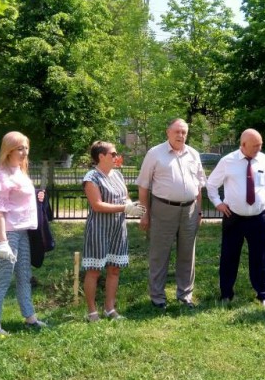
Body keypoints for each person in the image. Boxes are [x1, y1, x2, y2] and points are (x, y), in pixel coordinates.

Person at [206, 129, 265, 307]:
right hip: (234, 217)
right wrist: (218, 203)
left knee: (260, 257)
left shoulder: (264, 160)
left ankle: (263, 295)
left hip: (258, 217)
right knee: (229, 256)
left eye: (260, 145)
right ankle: (226, 294)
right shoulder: (228, 161)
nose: (258, 148)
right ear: (243, 144)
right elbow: (211, 184)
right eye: (255, 145)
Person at [137, 118, 207, 310]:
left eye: (184, 132)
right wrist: (145, 213)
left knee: (187, 254)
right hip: (163, 209)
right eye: (177, 131)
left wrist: (199, 210)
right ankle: (157, 297)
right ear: (168, 132)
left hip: (190, 210)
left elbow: (199, 186)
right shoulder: (155, 153)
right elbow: (143, 186)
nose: (181, 135)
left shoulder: (193, 154)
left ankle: (185, 295)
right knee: (159, 254)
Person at [0, 131, 47, 336]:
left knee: (24, 275)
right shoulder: (0, 176)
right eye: (19, 148)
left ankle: (30, 317)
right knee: (3, 276)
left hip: (22, 231)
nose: (24, 152)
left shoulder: (20, 171)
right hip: (7, 233)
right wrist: (2, 242)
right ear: (9, 150)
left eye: (26, 148)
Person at [82, 141, 145, 322]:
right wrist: (124, 209)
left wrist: (130, 205)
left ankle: (110, 309)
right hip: (99, 228)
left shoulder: (117, 175)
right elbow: (97, 205)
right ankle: (92, 312)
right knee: (94, 270)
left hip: (118, 228)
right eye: (113, 154)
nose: (116, 157)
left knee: (114, 269)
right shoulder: (92, 177)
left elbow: (125, 197)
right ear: (101, 156)